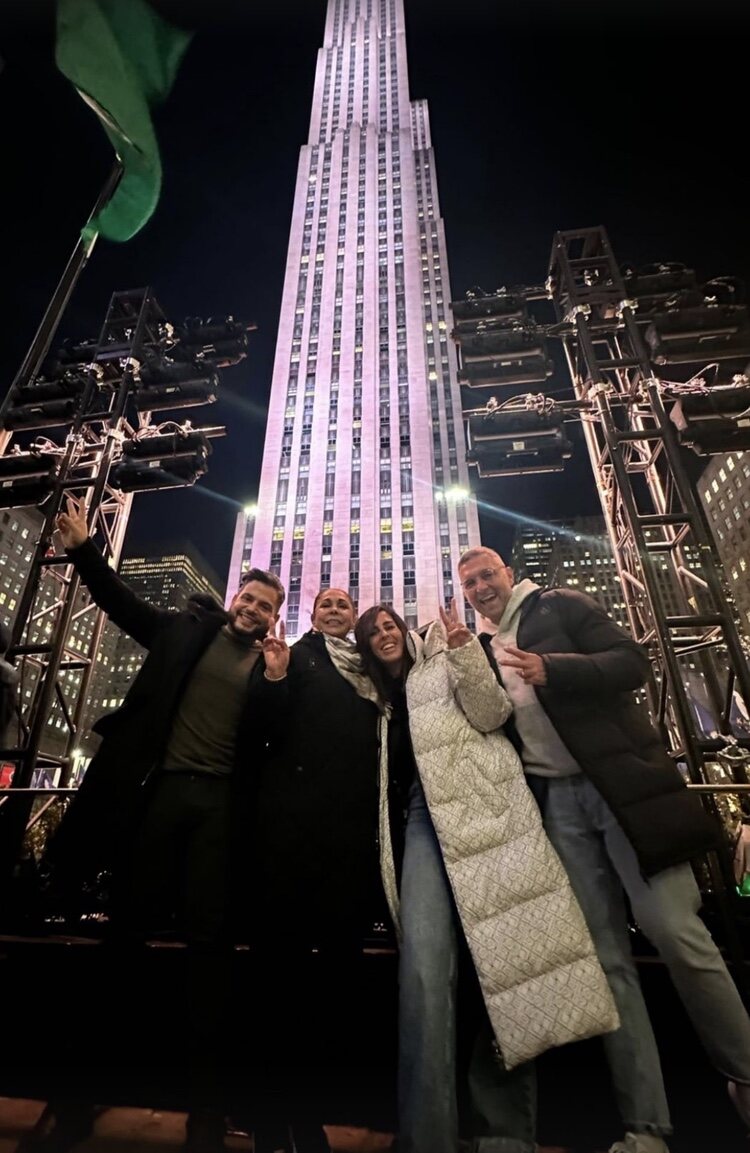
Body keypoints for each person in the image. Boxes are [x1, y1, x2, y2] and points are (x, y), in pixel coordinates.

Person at [458, 544, 750, 1153]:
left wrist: (551, 668)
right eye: (470, 581)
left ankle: (746, 1076)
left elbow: (631, 662)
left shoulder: (559, 604)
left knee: (676, 932)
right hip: (558, 806)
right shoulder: (480, 649)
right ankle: (646, 1127)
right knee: (605, 963)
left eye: (488, 574)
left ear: (508, 574)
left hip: (623, 791)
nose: (481, 586)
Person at [33, 494, 289, 1153]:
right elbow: (121, 604)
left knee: (209, 953)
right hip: (161, 797)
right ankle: (75, 1096)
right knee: (124, 941)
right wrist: (85, 547)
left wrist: (280, 684)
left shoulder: (272, 668)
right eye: (250, 599)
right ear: (237, 598)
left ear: (273, 618)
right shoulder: (184, 631)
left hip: (220, 814)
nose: (255, 610)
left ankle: (205, 1108)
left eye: (267, 606)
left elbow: (279, 741)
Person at [351, 600, 619, 1153]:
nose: (384, 633)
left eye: (390, 624)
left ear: (404, 630)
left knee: (505, 970)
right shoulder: (376, 701)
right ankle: (427, 1138)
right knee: (424, 978)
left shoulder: (443, 660)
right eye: (372, 630)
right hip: (423, 821)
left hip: (487, 811)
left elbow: (493, 714)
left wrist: (465, 652)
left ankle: (506, 1136)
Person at [248, 587, 387, 1153]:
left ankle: (307, 1114)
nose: (334, 610)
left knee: (332, 981)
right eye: (325, 604)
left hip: (349, 843)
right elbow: (262, 729)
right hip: (290, 840)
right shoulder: (292, 655)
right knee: (278, 978)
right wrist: (276, 676)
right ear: (311, 615)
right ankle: (267, 1115)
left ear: (354, 618)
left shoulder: (372, 669)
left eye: (343, 605)